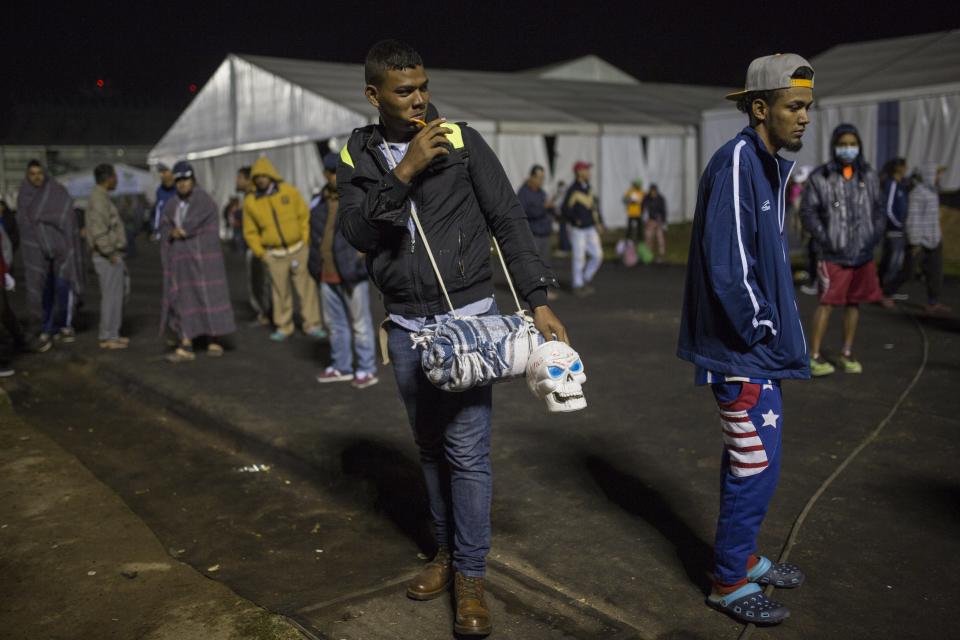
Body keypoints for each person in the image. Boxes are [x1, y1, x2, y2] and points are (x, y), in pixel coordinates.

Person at [338, 39, 566, 637]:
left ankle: (470, 577)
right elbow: (359, 231)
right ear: (374, 95)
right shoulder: (358, 152)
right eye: (404, 90)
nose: (419, 99)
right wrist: (406, 168)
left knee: (467, 452)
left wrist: (537, 299)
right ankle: (445, 553)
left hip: (469, 323)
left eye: (423, 87)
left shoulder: (461, 139)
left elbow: (506, 218)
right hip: (408, 328)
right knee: (431, 448)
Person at [678, 53, 815, 626]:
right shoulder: (738, 161)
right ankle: (728, 581)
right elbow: (728, 266)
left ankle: (742, 556)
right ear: (761, 108)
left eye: (809, 106)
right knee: (755, 465)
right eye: (794, 106)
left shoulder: (763, 164)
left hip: (756, 351)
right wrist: (762, 328)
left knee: (753, 461)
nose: (805, 118)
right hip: (742, 353)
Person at [800, 123, 884, 376]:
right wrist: (826, 238)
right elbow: (808, 212)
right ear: (835, 146)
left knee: (854, 304)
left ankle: (847, 352)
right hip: (833, 255)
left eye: (852, 144)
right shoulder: (821, 177)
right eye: (843, 144)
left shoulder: (868, 175)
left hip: (862, 254)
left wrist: (873, 235)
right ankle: (813, 356)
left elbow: (879, 209)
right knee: (826, 303)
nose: (848, 149)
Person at [159, 162, 236, 362]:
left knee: (209, 298)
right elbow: (165, 227)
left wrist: (180, 232)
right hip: (182, 263)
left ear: (193, 179)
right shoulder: (171, 204)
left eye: (186, 179)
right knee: (183, 300)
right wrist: (170, 233)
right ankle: (186, 343)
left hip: (205, 262)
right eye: (179, 180)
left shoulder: (204, 201)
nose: (182, 184)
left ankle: (213, 338)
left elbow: (190, 226)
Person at [309, 169, 379, 389]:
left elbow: (374, 227)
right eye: (331, 172)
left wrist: (364, 255)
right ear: (325, 174)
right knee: (336, 325)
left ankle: (366, 369)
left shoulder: (358, 197)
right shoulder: (318, 202)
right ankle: (342, 366)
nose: (334, 177)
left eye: (338, 172)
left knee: (360, 324)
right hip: (326, 272)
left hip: (351, 271)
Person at [242, 156, 325, 342]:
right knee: (279, 292)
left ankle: (312, 324)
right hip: (274, 254)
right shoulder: (251, 201)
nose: (261, 179)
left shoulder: (289, 191)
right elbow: (250, 231)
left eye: (264, 175)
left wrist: (305, 241)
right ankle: (284, 325)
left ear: (271, 175)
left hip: (298, 249)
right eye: (257, 176)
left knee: (307, 290)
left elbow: (303, 216)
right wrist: (261, 253)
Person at [16, 160, 84, 349]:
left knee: (63, 286)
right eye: (32, 174)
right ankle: (45, 327)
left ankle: (64, 324)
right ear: (27, 176)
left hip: (61, 248)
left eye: (40, 173)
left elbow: (67, 217)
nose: (37, 177)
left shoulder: (56, 191)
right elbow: (24, 224)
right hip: (36, 251)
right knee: (42, 290)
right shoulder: (24, 195)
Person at [890, 164, 950, 314]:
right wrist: (914, 242)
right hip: (919, 241)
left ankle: (933, 302)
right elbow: (913, 219)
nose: (938, 177)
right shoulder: (918, 193)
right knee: (908, 271)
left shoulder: (933, 192)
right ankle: (886, 292)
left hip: (934, 240)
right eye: (936, 174)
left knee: (935, 272)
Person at [86, 164, 130, 350]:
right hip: (107, 256)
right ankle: (108, 336)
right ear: (109, 178)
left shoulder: (101, 197)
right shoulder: (99, 199)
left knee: (116, 294)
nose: (117, 180)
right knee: (111, 296)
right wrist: (110, 252)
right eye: (115, 176)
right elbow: (99, 231)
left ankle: (113, 333)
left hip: (109, 254)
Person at [236, 166, 272, 326]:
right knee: (259, 282)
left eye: (239, 178)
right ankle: (264, 312)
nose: (236, 181)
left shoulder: (254, 197)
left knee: (260, 282)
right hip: (254, 245)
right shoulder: (249, 196)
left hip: (257, 246)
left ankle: (264, 313)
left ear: (247, 179)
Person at [562, 161, 604, 296]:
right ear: (580, 172)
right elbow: (565, 209)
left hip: (590, 227)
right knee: (579, 257)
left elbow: (594, 207)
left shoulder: (588, 188)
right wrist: (575, 219)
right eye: (586, 170)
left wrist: (599, 222)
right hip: (578, 229)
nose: (589, 173)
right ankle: (578, 284)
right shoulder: (573, 190)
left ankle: (584, 278)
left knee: (598, 255)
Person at [878, 158, 910, 306]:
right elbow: (888, 208)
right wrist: (897, 224)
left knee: (889, 262)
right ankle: (886, 294)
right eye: (904, 166)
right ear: (898, 168)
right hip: (894, 232)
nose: (906, 169)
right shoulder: (891, 184)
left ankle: (883, 290)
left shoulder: (901, 185)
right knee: (894, 263)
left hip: (899, 232)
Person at [517, 165, 556, 268]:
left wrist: (551, 207)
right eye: (539, 178)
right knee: (533, 266)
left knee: (545, 266)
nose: (541, 181)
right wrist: (543, 207)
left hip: (545, 235)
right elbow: (523, 213)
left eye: (543, 178)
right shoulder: (523, 193)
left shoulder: (541, 192)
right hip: (533, 236)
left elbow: (548, 210)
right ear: (532, 177)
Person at [641, 183, 667, 262]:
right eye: (652, 191)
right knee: (648, 238)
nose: (653, 192)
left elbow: (663, 210)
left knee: (660, 239)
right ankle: (649, 256)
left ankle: (661, 256)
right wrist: (644, 219)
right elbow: (642, 209)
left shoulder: (660, 198)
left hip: (658, 222)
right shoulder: (647, 198)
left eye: (654, 191)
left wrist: (663, 221)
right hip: (650, 221)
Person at [152, 163, 176, 239]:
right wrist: (155, 230)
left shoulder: (181, 190)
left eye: (165, 172)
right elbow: (158, 212)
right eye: (161, 172)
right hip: (164, 238)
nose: (162, 175)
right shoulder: (160, 191)